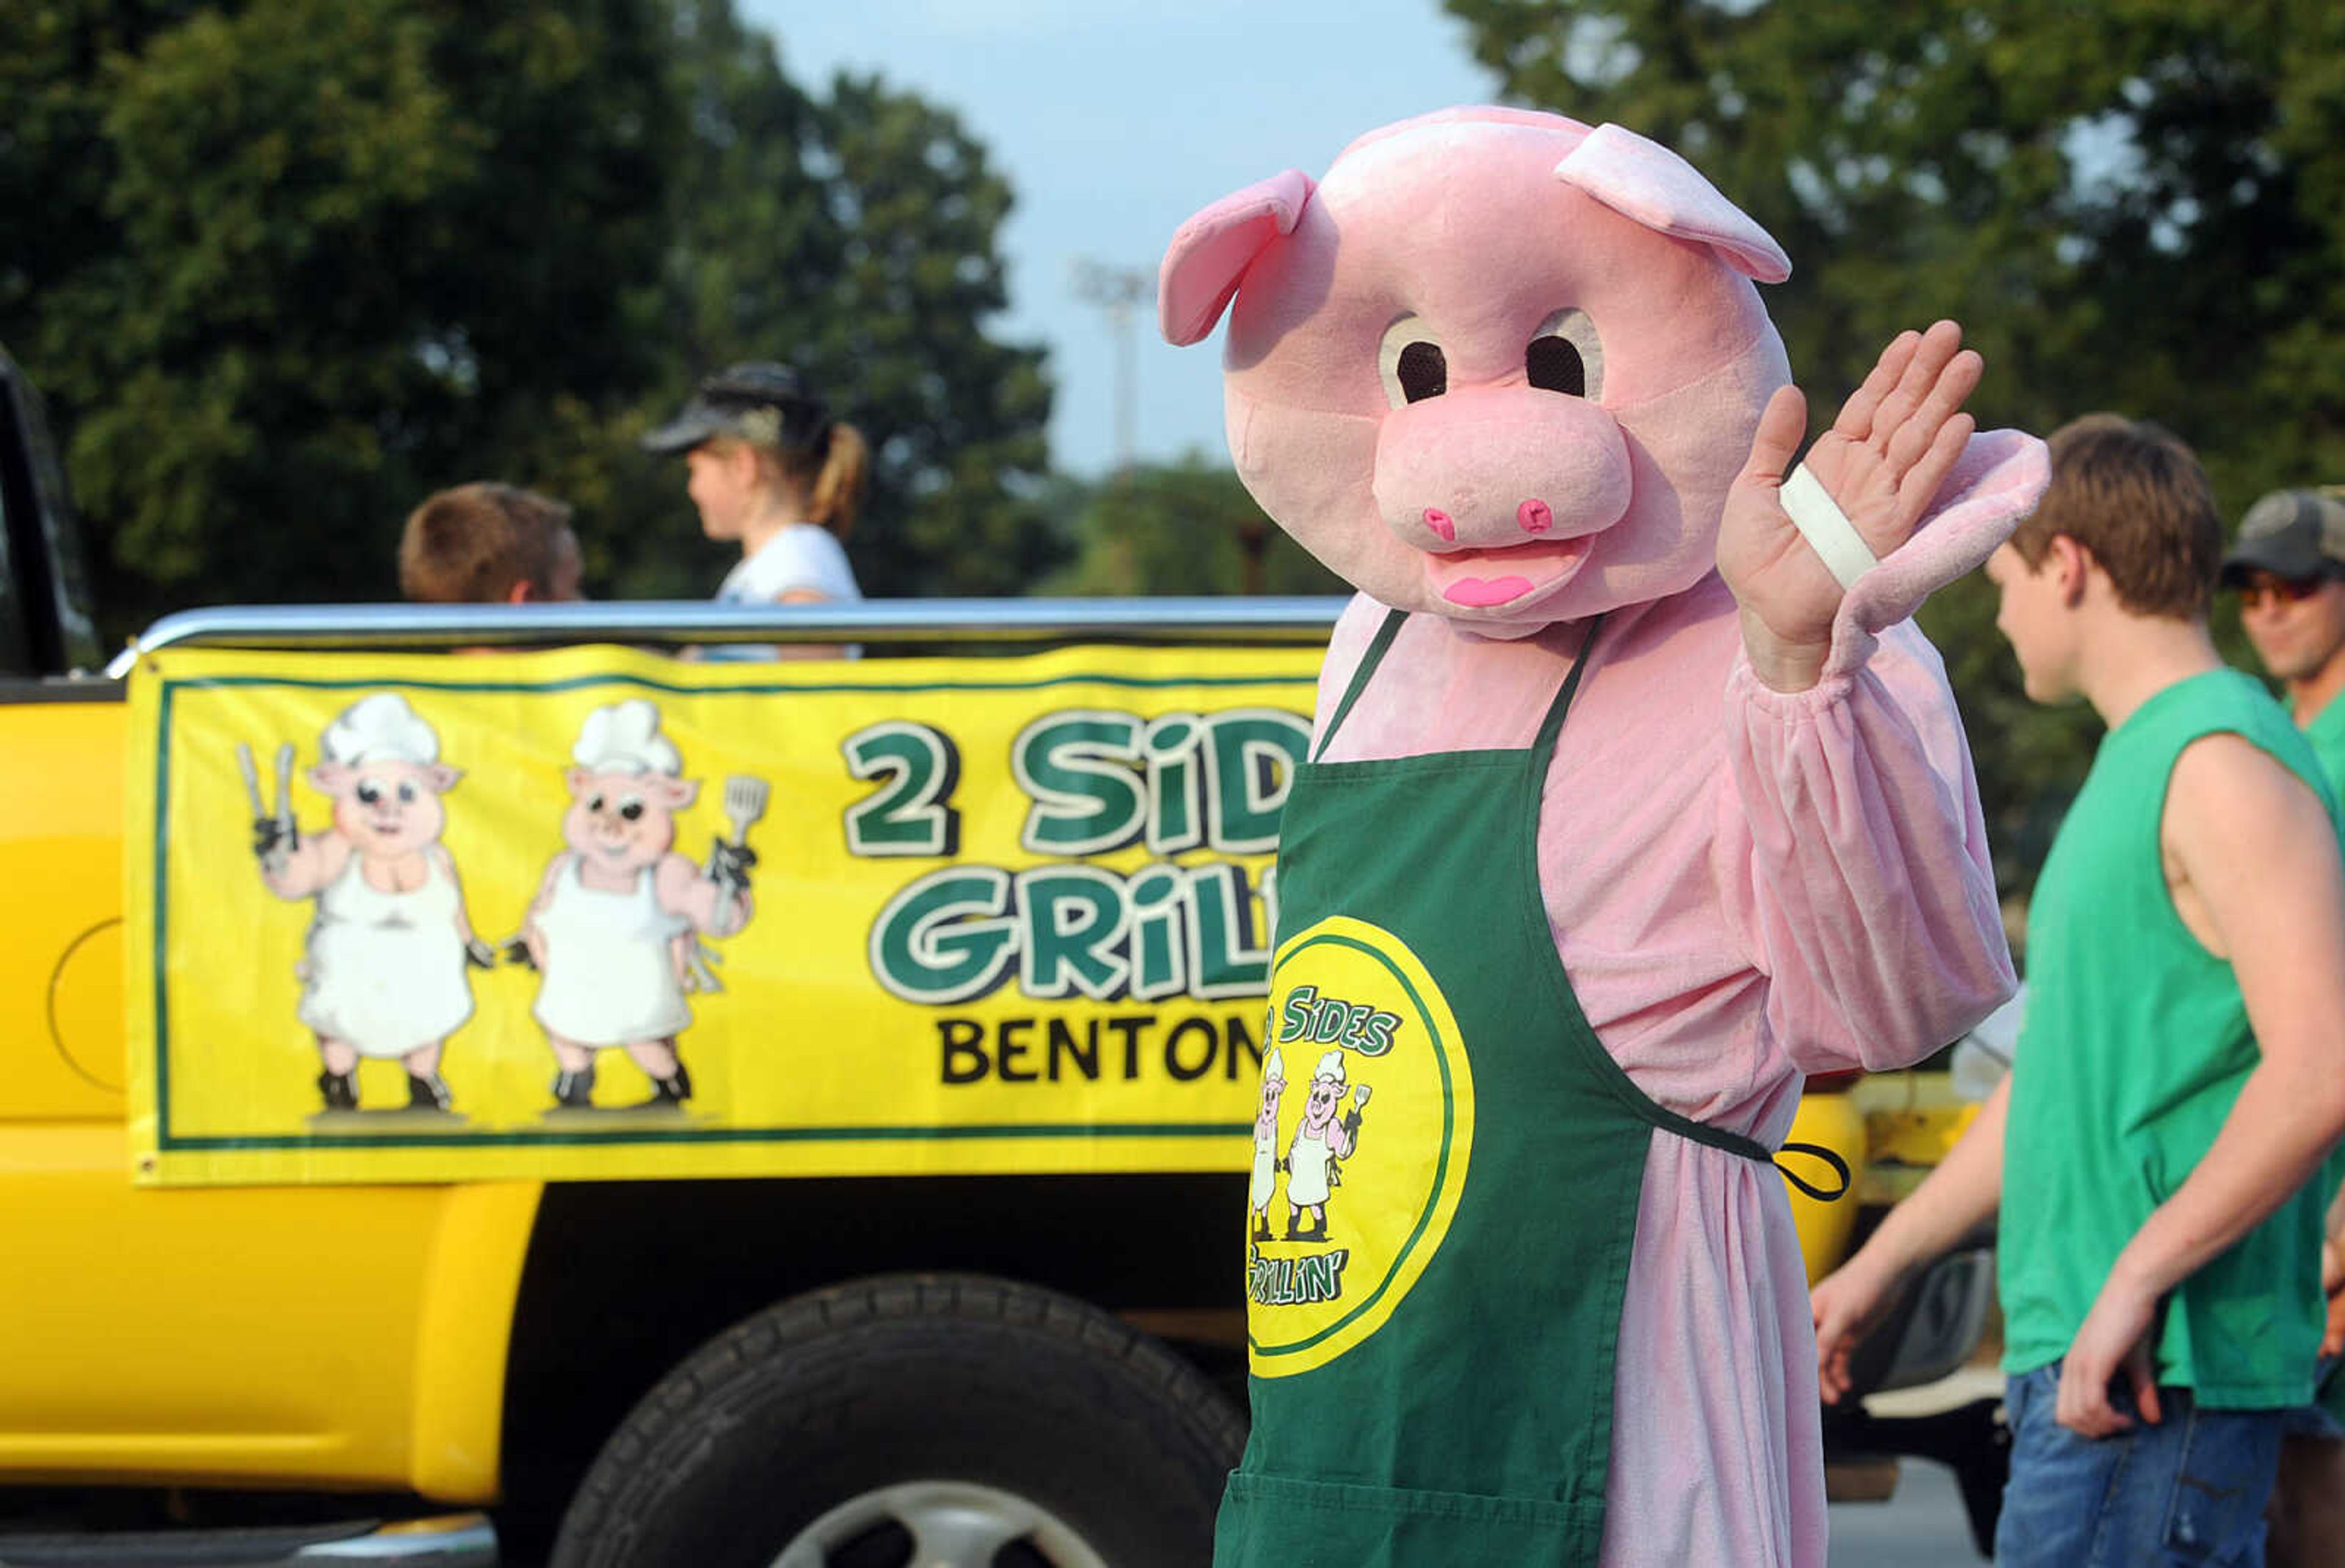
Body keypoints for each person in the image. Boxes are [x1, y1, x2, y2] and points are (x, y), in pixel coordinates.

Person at [1811, 416, 2345, 1566]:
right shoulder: (2144, 762)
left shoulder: (2223, 760)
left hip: (2157, 1364)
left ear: (2069, 565)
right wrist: (1882, 1261)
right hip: (2104, 1357)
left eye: (2004, 577)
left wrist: (2136, 1278)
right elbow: (2056, 1075)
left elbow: (2323, 1068)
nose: (1998, 613)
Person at [2222, 486, 2345, 1567]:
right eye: (2253, 589)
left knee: (2319, 1493)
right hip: (2283, 1177)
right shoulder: (2280, 735)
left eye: (2298, 584)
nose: (2271, 608)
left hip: (2332, 1183)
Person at [640, 361, 867, 660]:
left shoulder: (798, 559)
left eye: (695, 471)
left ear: (743, 467)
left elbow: (814, 690)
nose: (692, 489)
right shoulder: (766, 570)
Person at [398, 481, 584, 604]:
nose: (588, 605)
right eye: (576, 588)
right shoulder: (603, 663)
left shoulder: (384, 659)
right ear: (529, 604)